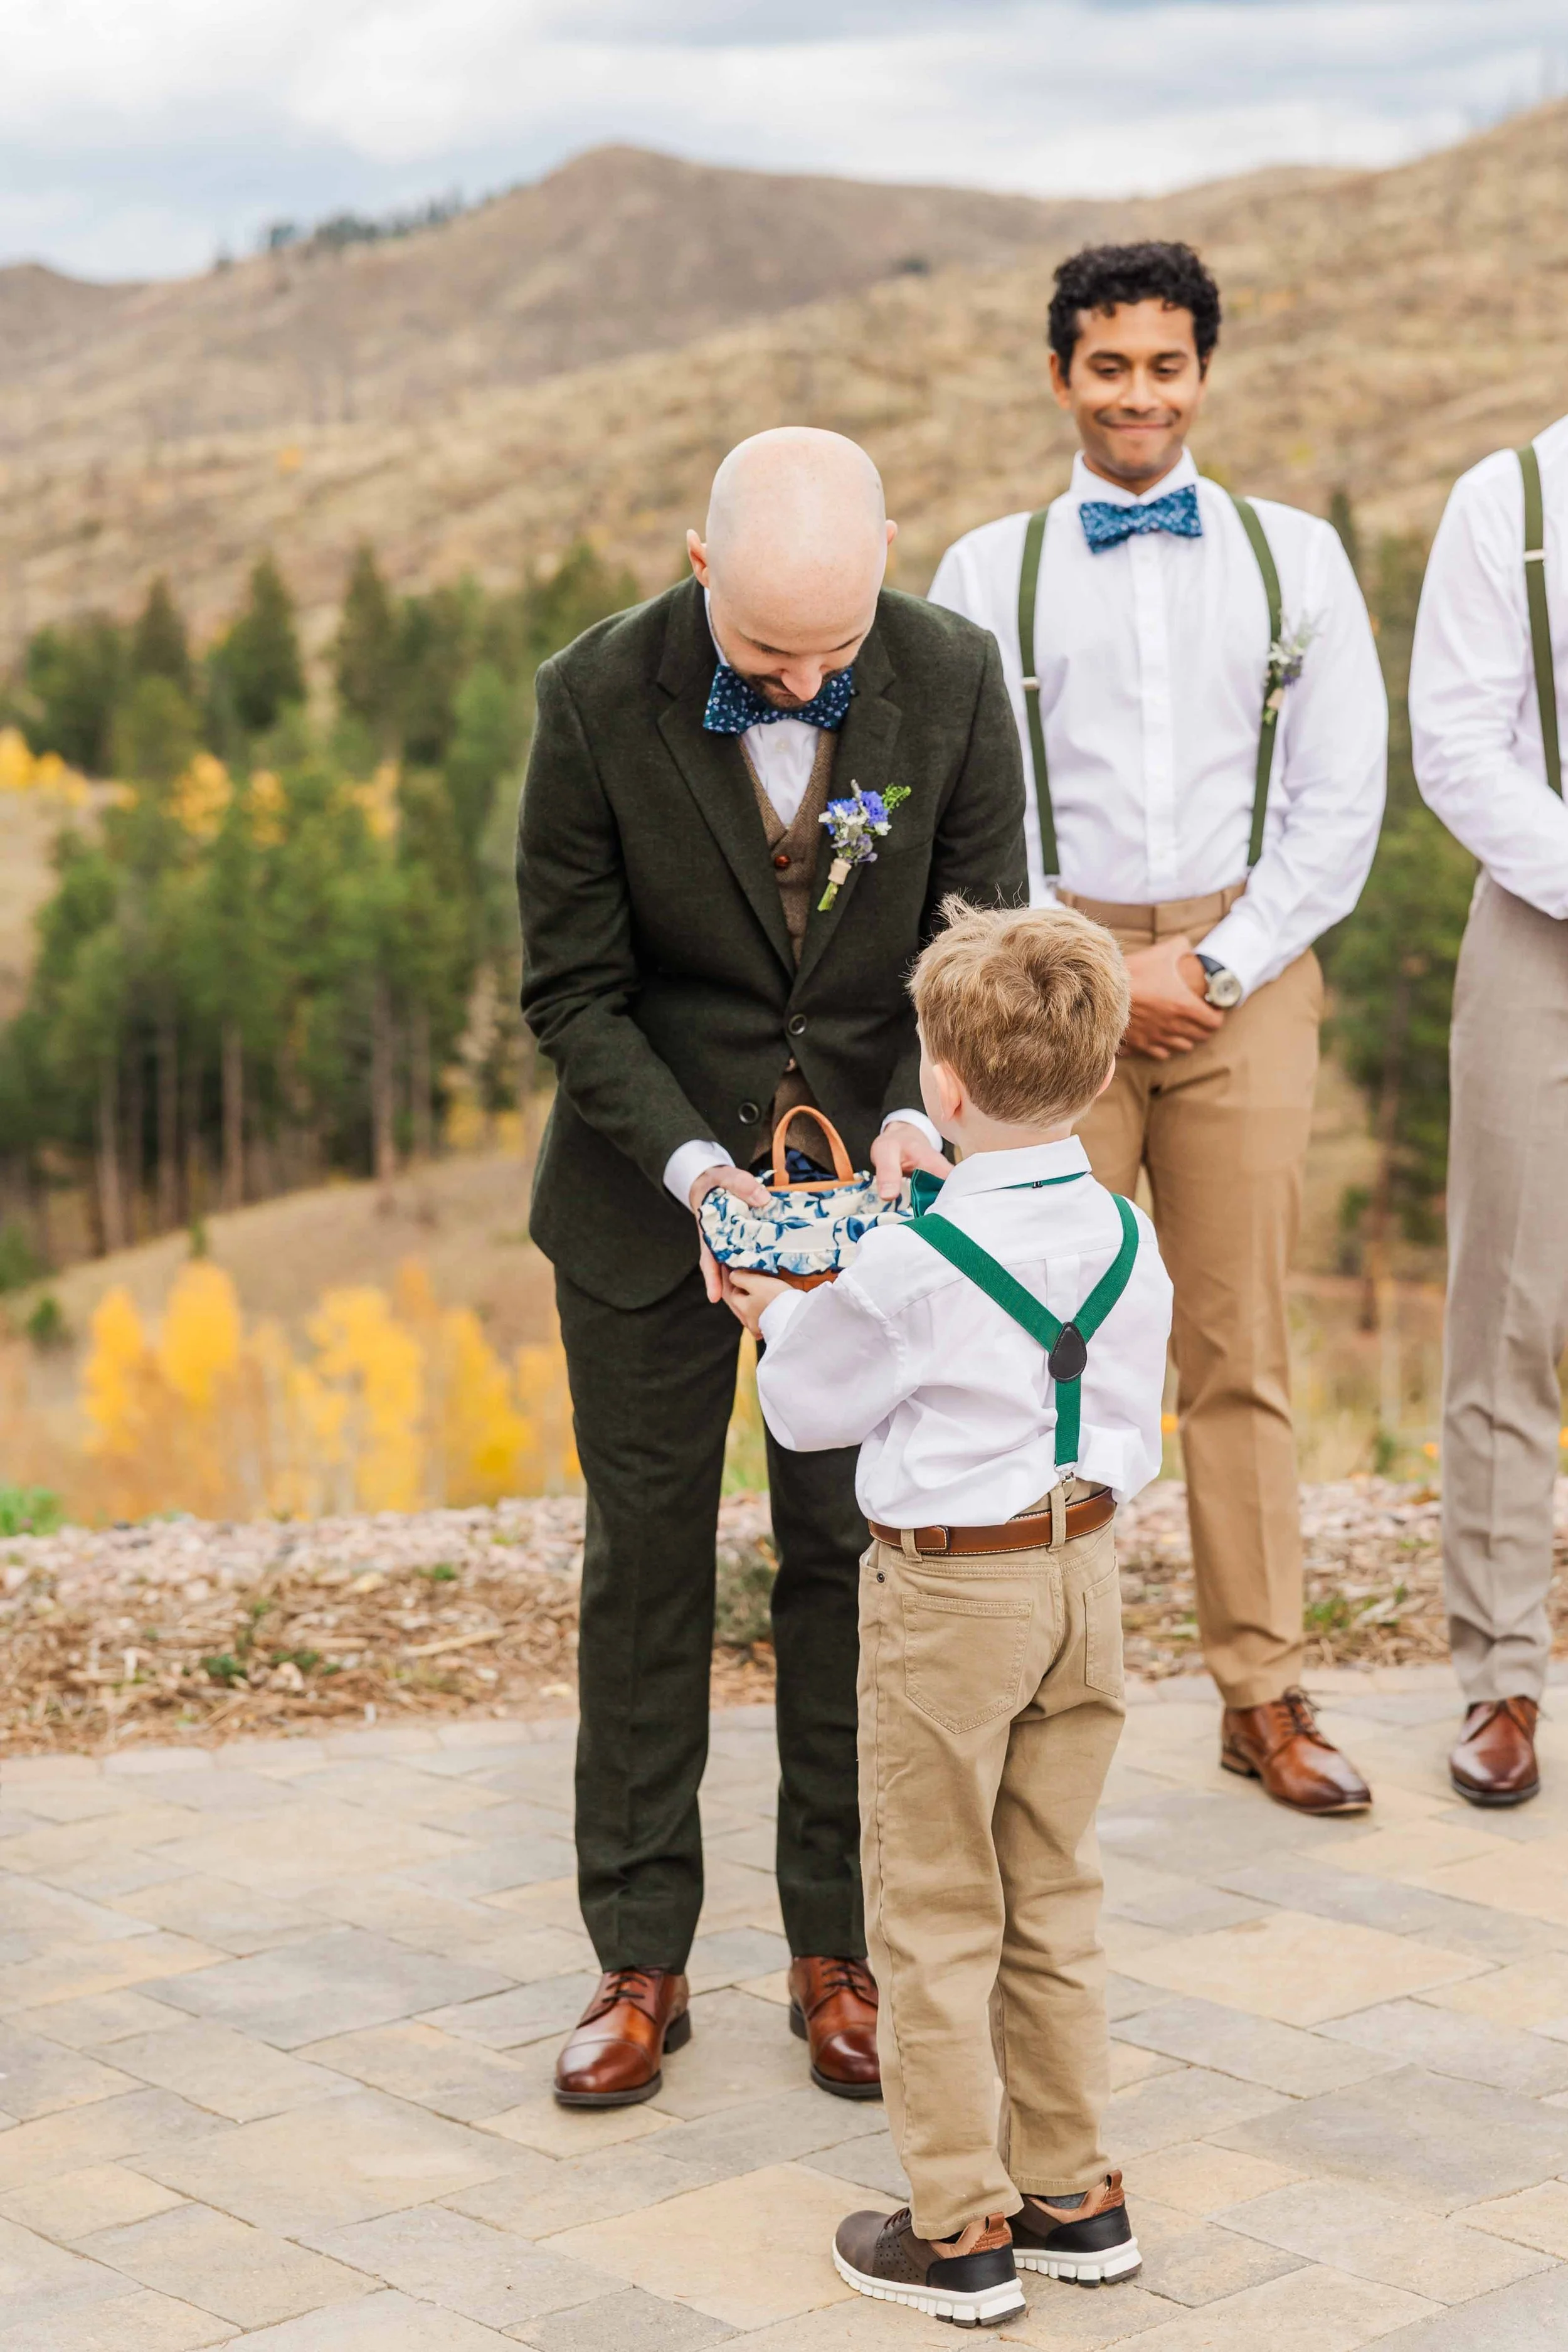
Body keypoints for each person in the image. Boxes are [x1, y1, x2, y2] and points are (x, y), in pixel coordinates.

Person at [518, 426, 1027, 2107]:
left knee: (846, 1563)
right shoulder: (591, 696)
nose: (804, 680)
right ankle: (637, 1956)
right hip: (646, 1205)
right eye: (764, 651)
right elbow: (572, 989)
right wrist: (696, 1173)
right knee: (646, 1566)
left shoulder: (954, 677)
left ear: (884, 559)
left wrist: (916, 1121)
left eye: (831, 649)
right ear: (696, 565)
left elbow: (977, 947)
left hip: (874, 1221)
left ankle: (840, 1950)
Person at [928, 241, 1387, 1814]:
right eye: (1109, 366)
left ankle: (1261, 1693)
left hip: (1242, 975)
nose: (1140, 395)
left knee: (1234, 1344)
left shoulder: (1292, 560)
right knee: (1029, 1337)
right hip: (1043, 988)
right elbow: (968, 808)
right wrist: (1098, 977)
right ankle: (1018, 1693)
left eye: (1166, 365)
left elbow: (1338, 801)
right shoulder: (985, 572)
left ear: (1202, 372)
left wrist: (1225, 960)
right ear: (1060, 376)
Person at [722, 901, 1172, 2325]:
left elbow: (807, 1409)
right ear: (1102, 1069)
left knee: (929, 1905)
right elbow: (1121, 1407)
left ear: (944, 1084)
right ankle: (1074, 2194)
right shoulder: (1127, 1233)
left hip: (951, 1594)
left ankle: (958, 2226)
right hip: (1083, 1577)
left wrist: (772, 1312)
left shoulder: (911, 1262)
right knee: (1054, 1889)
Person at [1409, 415, 1568, 1808]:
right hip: (1540, 920)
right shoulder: (1508, 500)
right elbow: (1457, 748)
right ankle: (1502, 1674)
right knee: (1508, 1311)